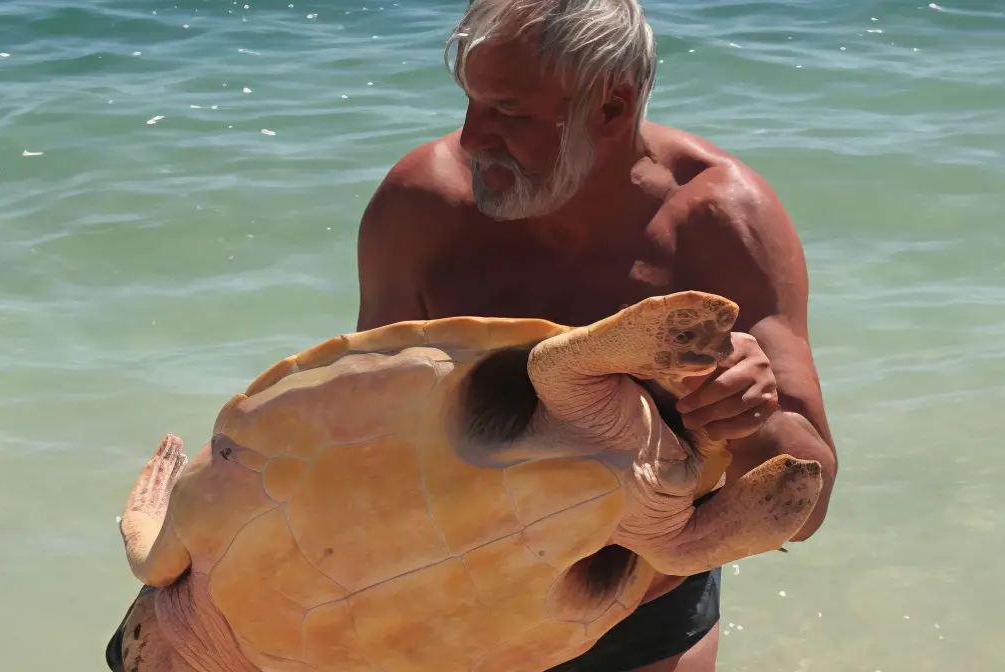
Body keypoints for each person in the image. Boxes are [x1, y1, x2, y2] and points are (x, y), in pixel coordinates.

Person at [352, 0, 839, 670]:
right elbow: (366, 432)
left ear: (611, 107)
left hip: (643, 607)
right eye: (470, 101)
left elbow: (808, 500)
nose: (471, 137)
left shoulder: (720, 221)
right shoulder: (422, 207)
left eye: (508, 110)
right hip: (450, 592)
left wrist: (751, 414)